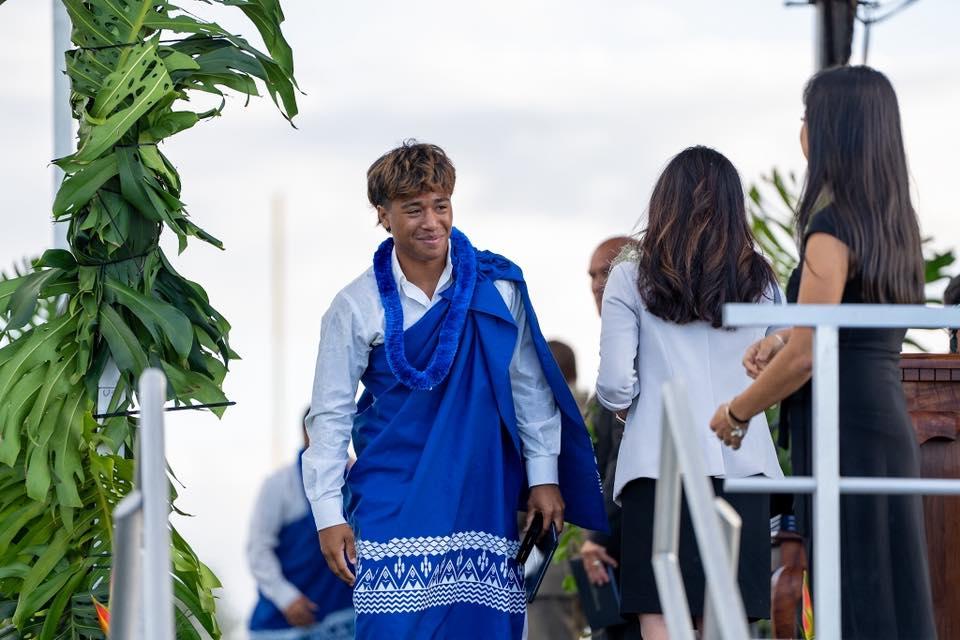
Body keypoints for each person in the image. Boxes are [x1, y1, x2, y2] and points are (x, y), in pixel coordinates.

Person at [302, 141, 607, 639]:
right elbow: (329, 415)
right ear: (383, 215)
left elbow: (528, 388)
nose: (431, 222)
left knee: (479, 627)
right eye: (413, 209)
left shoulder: (497, 287)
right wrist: (326, 515)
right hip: (393, 493)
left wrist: (544, 478)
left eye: (440, 206)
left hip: (479, 486)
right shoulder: (355, 305)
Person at [709, 66, 936, 639]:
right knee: (889, 594)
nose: (802, 130)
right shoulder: (895, 223)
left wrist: (738, 411)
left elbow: (810, 355)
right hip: (882, 421)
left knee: (854, 596)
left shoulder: (832, 228)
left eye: (808, 117)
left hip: (844, 428)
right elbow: (846, 325)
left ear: (835, 128)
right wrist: (779, 338)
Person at [596, 146, 783, 640]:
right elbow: (780, 365)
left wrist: (628, 409)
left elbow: (614, 383)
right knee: (726, 618)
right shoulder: (761, 279)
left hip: (657, 465)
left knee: (660, 613)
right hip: (742, 464)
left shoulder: (629, 277)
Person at [577, 237, 642, 640]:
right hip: (616, 549)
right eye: (592, 275)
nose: (598, 284)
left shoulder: (638, 349)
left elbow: (623, 458)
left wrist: (596, 537)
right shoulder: (614, 349)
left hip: (638, 544)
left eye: (608, 272)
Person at [247, 410, 355, 640]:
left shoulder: (357, 477)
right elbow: (258, 550)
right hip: (284, 625)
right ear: (306, 432)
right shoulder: (279, 485)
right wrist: (286, 598)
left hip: (345, 620)